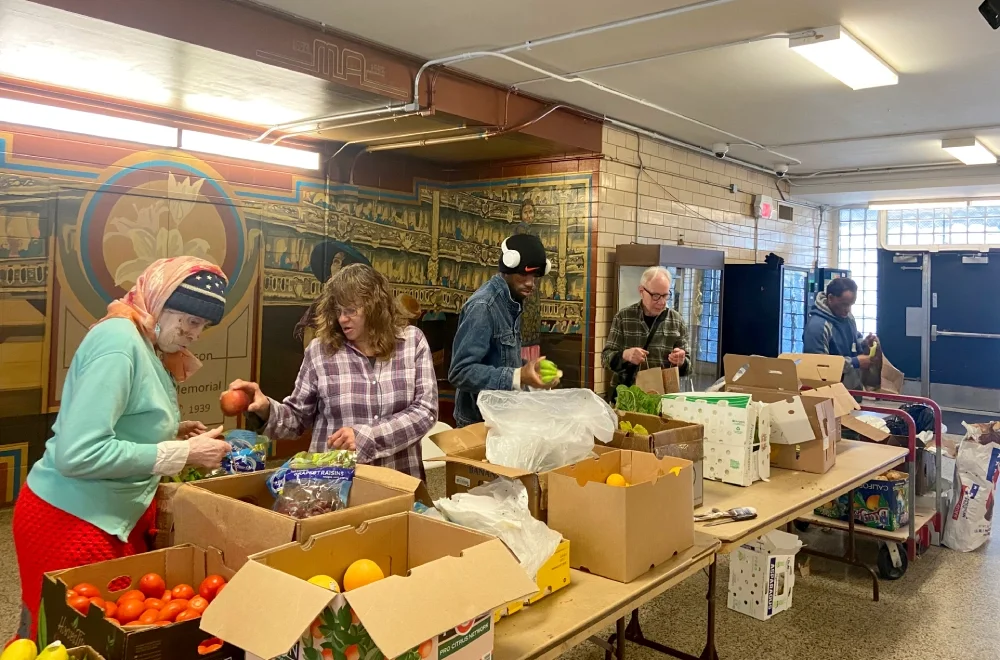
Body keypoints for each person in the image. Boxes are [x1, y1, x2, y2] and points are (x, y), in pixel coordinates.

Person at [11, 257, 232, 641]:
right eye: (191, 321)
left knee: (82, 637)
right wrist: (183, 454)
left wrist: (173, 433)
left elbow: (119, 419)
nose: (196, 334)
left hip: (107, 518)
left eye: (203, 326)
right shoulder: (118, 342)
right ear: (161, 303)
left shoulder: (141, 339)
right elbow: (78, 452)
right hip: (71, 520)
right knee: (64, 640)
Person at [233, 264, 437, 480]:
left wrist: (366, 437)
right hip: (332, 486)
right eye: (338, 311)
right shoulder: (320, 351)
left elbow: (426, 411)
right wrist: (266, 409)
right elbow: (297, 419)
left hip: (399, 480)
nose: (342, 319)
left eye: (350, 310)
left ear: (375, 307)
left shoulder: (411, 342)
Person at [449, 234, 558, 428]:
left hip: (503, 421)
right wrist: (518, 376)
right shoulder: (484, 306)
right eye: (523, 274)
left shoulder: (510, 302)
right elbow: (460, 372)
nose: (530, 283)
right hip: (478, 426)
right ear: (507, 268)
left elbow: (500, 359)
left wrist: (530, 370)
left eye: (535, 276)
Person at [602, 266, 690, 397]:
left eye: (666, 295)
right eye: (656, 296)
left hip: (663, 397)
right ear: (641, 291)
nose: (661, 302)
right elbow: (605, 359)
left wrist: (681, 361)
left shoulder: (676, 320)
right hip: (627, 396)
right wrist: (626, 355)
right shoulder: (624, 317)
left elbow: (688, 368)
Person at [293, 239, 371, 347]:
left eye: (345, 263)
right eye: (336, 261)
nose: (340, 267)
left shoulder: (364, 301)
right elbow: (309, 339)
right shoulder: (321, 303)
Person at [804, 276, 874, 391]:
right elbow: (819, 367)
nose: (848, 310)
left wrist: (865, 344)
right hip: (829, 393)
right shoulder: (818, 327)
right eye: (844, 304)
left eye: (851, 304)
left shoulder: (847, 317)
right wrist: (855, 362)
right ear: (830, 298)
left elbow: (854, 338)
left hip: (852, 389)